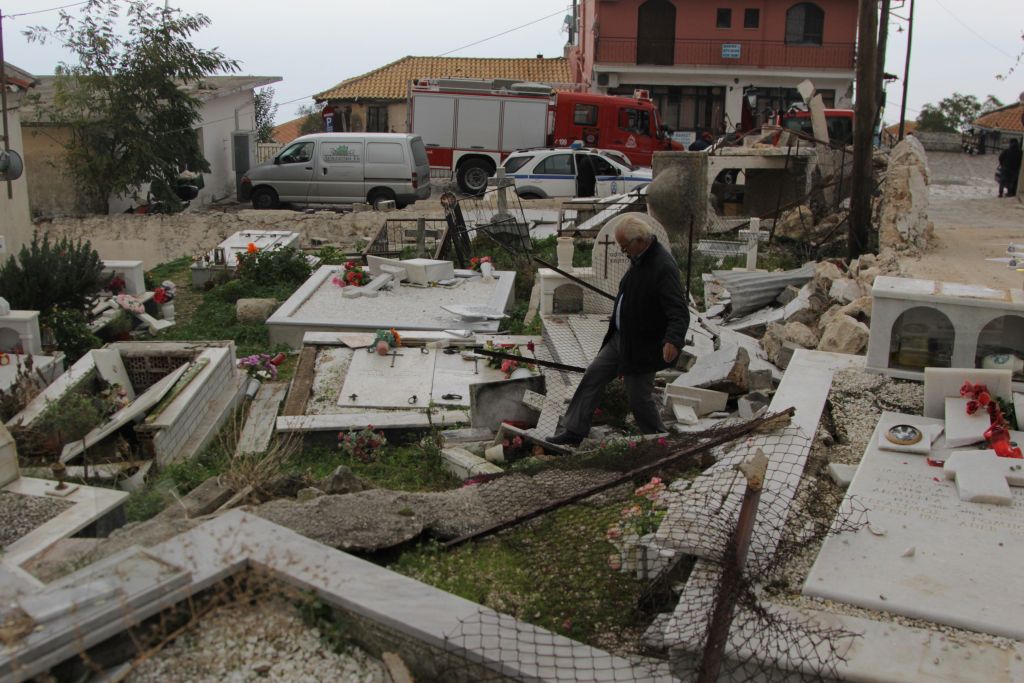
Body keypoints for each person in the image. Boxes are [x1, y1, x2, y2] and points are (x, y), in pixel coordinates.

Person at [548, 215, 690, 447]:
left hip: (644, 345)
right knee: (594, 375)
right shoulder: (640, 258)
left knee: (639, 398)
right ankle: (573, 431)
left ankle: (658, 442)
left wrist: (673, 339)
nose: (624, 252)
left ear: (640, 240)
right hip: (620, 339)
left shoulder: (662, 266)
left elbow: (679, 311)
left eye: (625, 247)